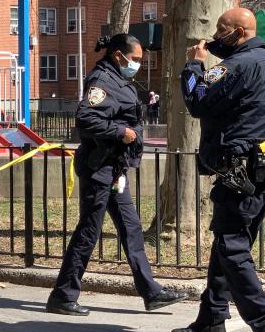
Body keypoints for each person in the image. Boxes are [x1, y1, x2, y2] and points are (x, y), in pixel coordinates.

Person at [171, 7, 265, 332]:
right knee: (228, 245)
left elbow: (196, 99)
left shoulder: (235, 67)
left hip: (241, 171)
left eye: (221, 30)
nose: (214, 36)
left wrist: (195, 64)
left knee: (232, 249)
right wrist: (212, 51)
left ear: (239, 32)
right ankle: (210, 321)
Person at [46, 33, 187, 316]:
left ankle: (151, 292)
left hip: (114, 169)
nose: (137, 64)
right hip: (99, 168)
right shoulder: (101, 81)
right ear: (118, 56)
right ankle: (63, 295)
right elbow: (86, 119)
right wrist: (121, 132)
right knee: (89, 231)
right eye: (134, 59)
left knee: (131, 229)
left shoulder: (117, 79)